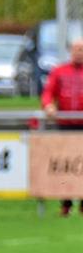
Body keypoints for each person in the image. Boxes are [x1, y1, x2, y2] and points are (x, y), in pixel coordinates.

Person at [41, 38, 83, 216]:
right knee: (66, 167)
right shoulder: (59, 71)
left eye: (82, 49)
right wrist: (49, 105)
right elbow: (48, 93)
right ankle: (65, 204)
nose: (79, 53)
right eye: (76, 49)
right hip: (65, 126)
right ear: (70, 51)